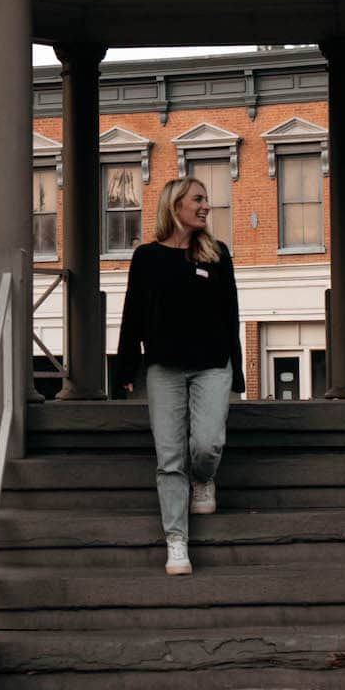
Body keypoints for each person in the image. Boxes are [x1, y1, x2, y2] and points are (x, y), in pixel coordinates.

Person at [115, 176, 244, 576]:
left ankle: (204, 479)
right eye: (198, 199)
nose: (206, 206)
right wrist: (126, 366)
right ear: (176, 206)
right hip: (164, 368)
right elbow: (133, 312)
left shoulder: (216, 254)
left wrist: (237, 372)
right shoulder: (147, 257)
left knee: (206, 443)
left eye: (207, 199)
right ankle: (176, 541)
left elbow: (231, 316)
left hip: (211, 364)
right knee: (170, 458)